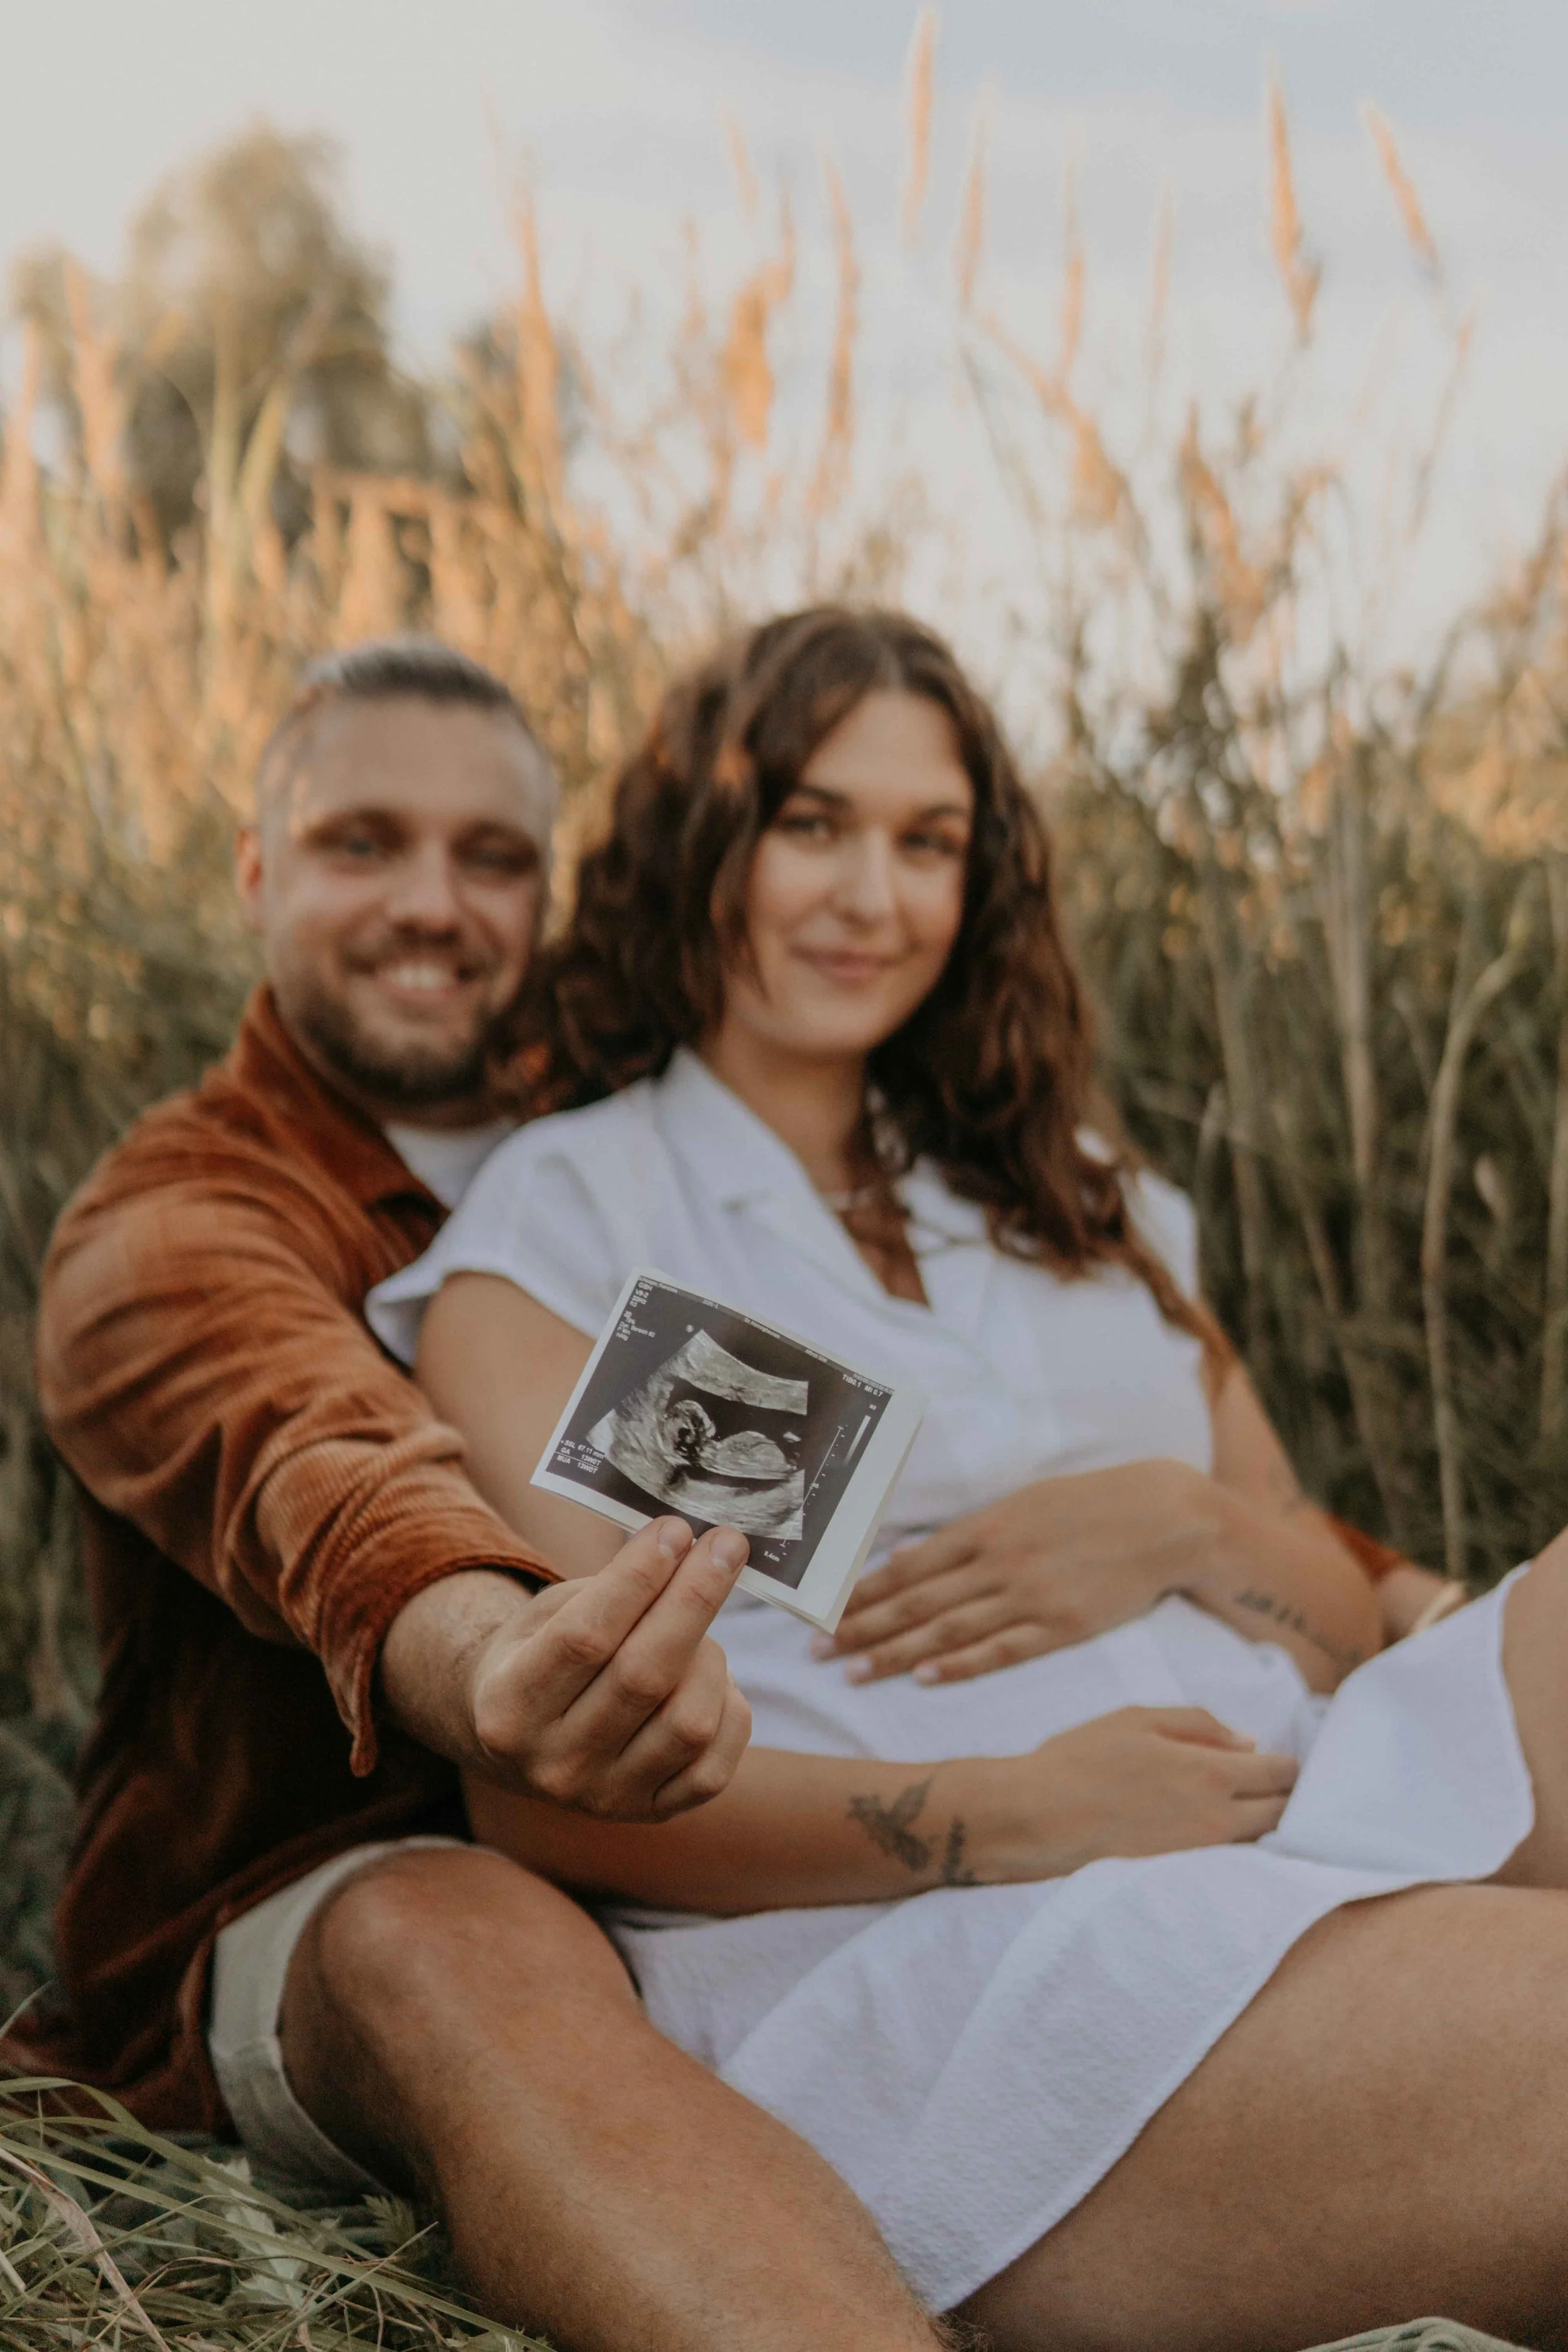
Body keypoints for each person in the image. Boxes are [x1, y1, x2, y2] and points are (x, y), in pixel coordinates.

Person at [370, 604, 1568, 2352]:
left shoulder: (1073, 1202)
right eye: (812, 823)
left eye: (925, 841)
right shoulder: (580, 1231)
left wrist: (1185, 1525)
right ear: (705, 839)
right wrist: (1012, 1804)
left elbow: (1329, 1600)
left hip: (1324, 1770)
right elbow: (557, 1777)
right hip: (993, 1942)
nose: (871, 895)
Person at [24, 638, 953, 2352]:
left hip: (719, 1816)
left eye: (493, 856)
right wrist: (509, 1666)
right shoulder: (169, 1227)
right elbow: (334, 1480)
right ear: (256, 870)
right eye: (361, 843)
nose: (431, 904)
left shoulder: (639, 1139)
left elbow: (858, 1449)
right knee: (449, 1935)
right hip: (338, 1871)